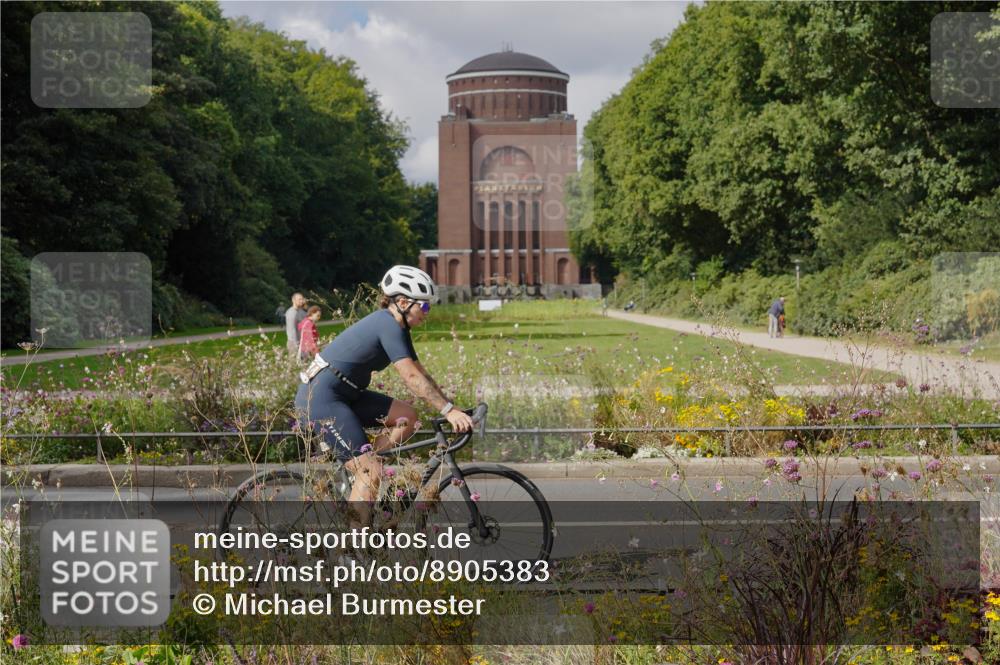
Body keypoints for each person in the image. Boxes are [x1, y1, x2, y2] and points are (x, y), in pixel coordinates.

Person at [295, 265, 473, 522]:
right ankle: (350, 553)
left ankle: (364, 482)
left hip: (346, 395)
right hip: (321, 400)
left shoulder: (398, 327)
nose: (427, 313)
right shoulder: (386, 323)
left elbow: (421, 373)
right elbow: (410, 378)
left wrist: (451, 406)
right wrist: (448, 411)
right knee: (371, 471)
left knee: (407, 417)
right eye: (423, 307)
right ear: (402, 302)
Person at [285, 293, 307, 359]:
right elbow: (292, 331)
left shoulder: (302, 312)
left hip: (302, 342)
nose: (301, 301)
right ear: (293, 300)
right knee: (294, 365)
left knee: (304, 363)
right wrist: (296, 345)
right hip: (294, 343)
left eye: (302, 299)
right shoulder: (291, 313)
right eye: (299, 299)